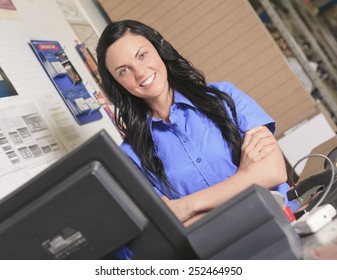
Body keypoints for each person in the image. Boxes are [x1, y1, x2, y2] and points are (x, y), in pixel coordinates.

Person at [96, 19, 299, 228]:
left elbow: (274, 171)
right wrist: (247, 176)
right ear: (117, 84)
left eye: (142, 55)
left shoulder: (224, 97)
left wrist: (188, 206)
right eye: (124, 70)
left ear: (159, 50)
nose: (139, 72)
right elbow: (173, 226)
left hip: (289, 223)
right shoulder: (131, 156)